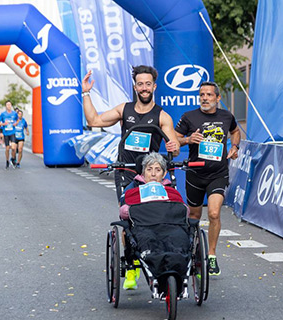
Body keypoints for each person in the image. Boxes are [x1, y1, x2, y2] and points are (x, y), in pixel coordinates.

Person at [174, 81, 241, 276]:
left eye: (209, 95)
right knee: (194, 216)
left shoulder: (226, 116)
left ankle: (211, 255)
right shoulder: (189, 117)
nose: (205, 98)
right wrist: (187, 140)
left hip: (218, 174)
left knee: (213, 213)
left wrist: (235, 146)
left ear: (218, 98)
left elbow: (235, 131)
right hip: (195, 174)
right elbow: (174, 138)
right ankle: (192, 250)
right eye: (202, 94)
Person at [82, 65, 179, 191]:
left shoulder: (163, 117)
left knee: (149, 208)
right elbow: (94, 121)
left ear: (154, 87)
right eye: (140, 84)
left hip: (150, 173)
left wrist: (174, 148)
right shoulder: (123, 109)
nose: (144, 88)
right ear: (135, 87)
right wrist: (86, 93)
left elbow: (175, 151)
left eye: (148, 84)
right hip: (125, 169)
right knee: (126, 209)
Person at [118, 152, 187, 290]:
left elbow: (183, 210)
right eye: (149, 170)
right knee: (134, 235)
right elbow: (123, 212)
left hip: (169, 226)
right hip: (144, 226)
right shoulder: (133, 188)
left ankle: (176, 270)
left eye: (158, 170)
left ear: (164, 173)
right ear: (143, 172)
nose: (153, 174)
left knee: (179, 239)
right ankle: (132, 268)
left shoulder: (170, 189)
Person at [0, 101, 18, 169]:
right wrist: (3, 124)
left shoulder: (14, 113)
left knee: (13, 147)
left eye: (9, 105)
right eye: (7, 105)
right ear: (5, 106)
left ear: (11, 105)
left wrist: (16, 123)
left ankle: (13, 158)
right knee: (7, 148)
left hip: (12, 132)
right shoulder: (3, 114)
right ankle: (7, 160)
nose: (8, 106)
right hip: (6, 133)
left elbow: (18, 120)